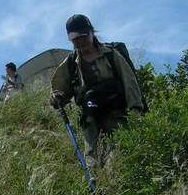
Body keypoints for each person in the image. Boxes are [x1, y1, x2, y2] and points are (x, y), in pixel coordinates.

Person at [49, 14, 145, 169]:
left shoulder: (111, 55)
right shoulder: (70, 64)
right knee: (93, 164)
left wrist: (135, 112)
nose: (80, 41)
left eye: (83, 37)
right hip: (91, 122)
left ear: (92, 32)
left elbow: (130, 83)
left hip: (117, 117)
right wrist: (56, 97)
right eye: (75, 39)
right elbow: (58, 90)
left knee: (119, 160)